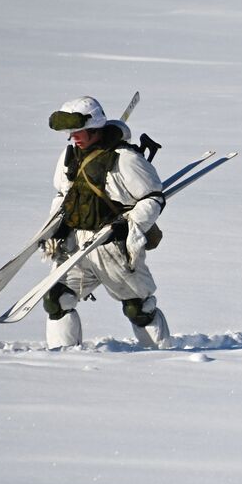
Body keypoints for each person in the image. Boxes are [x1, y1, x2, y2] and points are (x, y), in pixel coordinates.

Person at [41, 96, 171, 349]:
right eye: (70, 132)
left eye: (79, 131)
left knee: (138, 308)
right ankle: (61, 361)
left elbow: (154, 199)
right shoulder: (70, 156)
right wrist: (53, 229)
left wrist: (128, 225)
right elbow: (63, 196)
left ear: (95, 128)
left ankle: (163, 358)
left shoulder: (125, 158)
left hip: (114, 247)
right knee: (57, 300)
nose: (74, 137)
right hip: (77, 244)